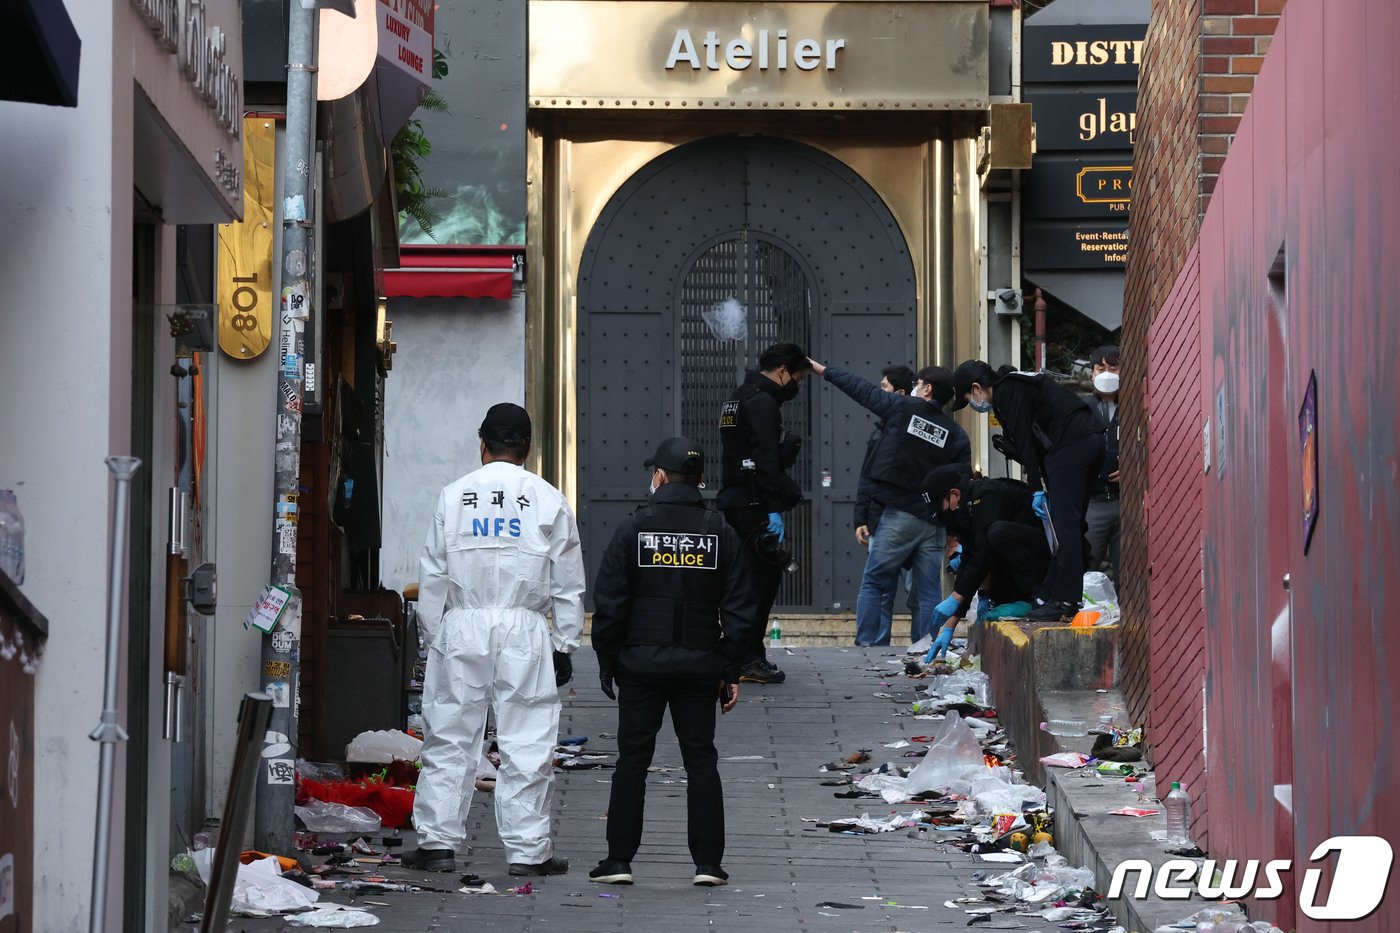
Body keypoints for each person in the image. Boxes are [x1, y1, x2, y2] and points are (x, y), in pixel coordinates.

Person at [405, 403, 586, 877]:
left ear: (482, 444)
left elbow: (433, 574)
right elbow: (567, 581)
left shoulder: (453, 495)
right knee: (527, 740)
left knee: (449, 735)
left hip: (462, 625)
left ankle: (437, 843)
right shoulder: (547, 498)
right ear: (527, 448)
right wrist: (564, 643)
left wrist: (431, 636)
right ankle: (528, 851)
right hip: (525, 629)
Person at [588, 437, 753, 888]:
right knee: (700, 760)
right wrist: (730, 668)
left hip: (640, 664)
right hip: (699, 666)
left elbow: (610, 602)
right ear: (700, 480)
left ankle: (619, 860)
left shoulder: (634, 528)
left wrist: (608, 659)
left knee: (632, 761)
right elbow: (740, 609)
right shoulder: (720, 531)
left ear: (659, 476)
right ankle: (708, 865)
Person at [808, 358, 971, 645]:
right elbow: (962, 485)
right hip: (933, 523)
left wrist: (822, 370)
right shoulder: (956, 434)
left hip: (899, 514)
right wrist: (954, 531)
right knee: (928, 591)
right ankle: (925, 646)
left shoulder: (902, 408)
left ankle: (868, 644)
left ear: (928, 389)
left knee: (874, 581)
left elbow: (860, 390)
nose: (914, 389)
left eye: (918, 385)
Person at [950, 360, 1105, 622]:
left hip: (1069, 446)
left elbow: (1025, 440)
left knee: (1063, 525)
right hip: (1089, 441)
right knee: (1066, 524)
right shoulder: (1018, 383)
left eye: (968, 397)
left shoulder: (1007, 391)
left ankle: (1066, 600)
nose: (974, 404)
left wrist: (1035, 488)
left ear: (976, 388)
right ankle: (1049, 594)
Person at [716, 343, 812, 685]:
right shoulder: (763, 403)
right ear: (783, 372)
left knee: (745, 583)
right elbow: (767, 461)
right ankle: (746, 657)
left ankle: (744, 653)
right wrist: (775, 508)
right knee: (759, 584)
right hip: (756, 505)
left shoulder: (737, 398)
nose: (797, 384)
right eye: (798, 376)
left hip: (737, 501)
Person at [920, 464, 1051, 659]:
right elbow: (969, 560)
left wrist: (956, 597)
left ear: (955, 494)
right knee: (983, 549)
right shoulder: (965, 511)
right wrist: (950, 625)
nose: (941, 516)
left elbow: (983, 555)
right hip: (1016, 566)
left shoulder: (988, 496)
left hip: (1044, 564)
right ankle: (1012, 598)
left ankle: (1037, 598)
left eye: (941, 508)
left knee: (996, 534)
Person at [853, 365, 920, 637]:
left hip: (912, 520)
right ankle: (872, 648)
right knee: (881, 591)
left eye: (884, 388)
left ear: (899, 393)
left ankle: (922, 644)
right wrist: (861, 518)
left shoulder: (916, 429)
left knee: (916, 591)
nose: (878, 392)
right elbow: (867, 475)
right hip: (880, 521)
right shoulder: (880, 430)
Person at [1085, 346, 1121, 580]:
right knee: (1086, 566)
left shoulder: (1135, 406)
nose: (1107, 374)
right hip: (1093, 501)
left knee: (1127, 572)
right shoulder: (1082, 409)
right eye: (1101, 368)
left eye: (1113, 368)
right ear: (1092, 374)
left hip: (1126, 501)